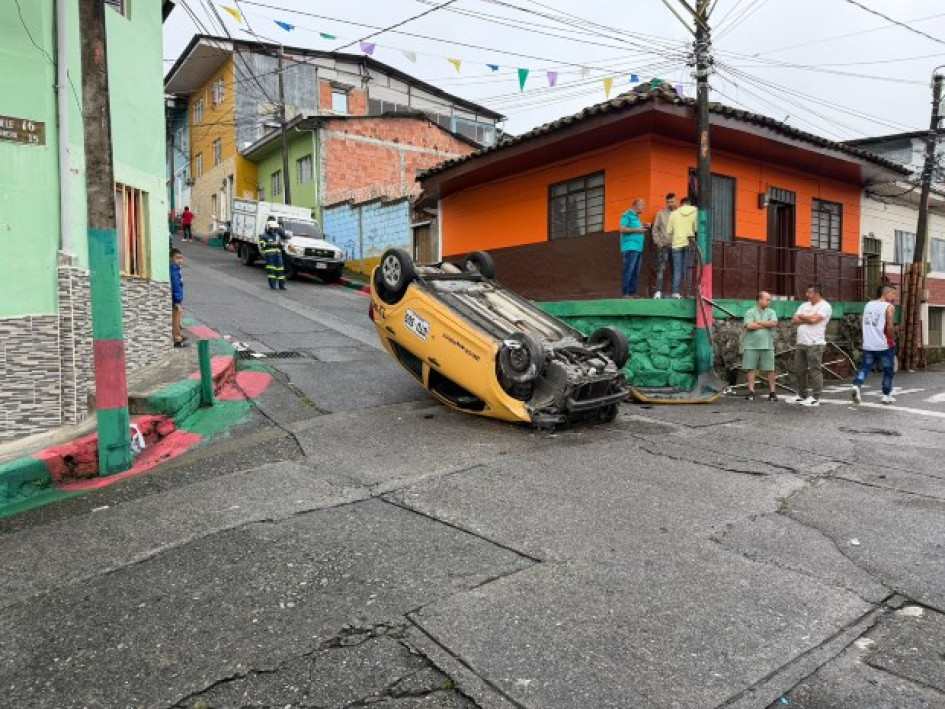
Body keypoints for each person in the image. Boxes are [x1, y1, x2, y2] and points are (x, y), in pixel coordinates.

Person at [852, 283, 898, 405]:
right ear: (886, 293)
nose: (894, 297)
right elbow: (889, 326)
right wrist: (892, 338)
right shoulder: (889, 307)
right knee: (888, 370)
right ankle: (886, 395)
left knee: (865, 368)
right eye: (893, 294)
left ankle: (857, 385)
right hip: (884, 344)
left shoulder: (868, 304)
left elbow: (863, 322)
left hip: (868, 343)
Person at [790, 284, 832, 407]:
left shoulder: (825, 306)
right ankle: (801, 395)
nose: (807, 295)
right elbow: (793, 320)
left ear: (817, 294)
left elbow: (814, 320)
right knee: (799, 370)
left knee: (815, 370)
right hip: (801, 342)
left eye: (809, 293)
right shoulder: (804, 305)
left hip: (815, 343)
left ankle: (815, 397)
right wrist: (808, 318)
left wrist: (802, 317)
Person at [742, 291, 779, 401]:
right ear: (760, 299)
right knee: (750, 368)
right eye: (767, 299)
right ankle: (751, 391)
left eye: (769, 299)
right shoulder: (750, 311)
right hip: (751, 345)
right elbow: (749, 326)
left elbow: (773, 323)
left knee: (770, 369)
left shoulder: (771, 311)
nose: (769, 301)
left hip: (767, 345)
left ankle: (772, 392)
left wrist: (759, 322)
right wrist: (765, 324)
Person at [666, 196, 698, 298]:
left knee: (677, 269)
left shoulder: (674, 213)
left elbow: (669, 231)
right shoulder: (695, 211)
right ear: (690, 203)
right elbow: (696, 228)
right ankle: (687, 293)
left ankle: (675, 292)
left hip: (676, 244)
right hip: (689, 243)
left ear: (681, 204)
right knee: (688, 269)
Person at [618, 198, 649, 298]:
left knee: (635, 272)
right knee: (628, 270)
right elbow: (622, 229)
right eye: (642, 205)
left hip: (638, 248)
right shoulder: (627, 214)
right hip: (630, 247)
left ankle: (632, 293)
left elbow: (635, 228)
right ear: (636, 205)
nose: (644, 207)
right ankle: (625, 293)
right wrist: (638, 230)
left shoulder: (637, 217)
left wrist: (644, 226)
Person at [650, 193, 677, 298]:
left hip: (676, 247)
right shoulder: (660, 213)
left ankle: (675, 292)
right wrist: (658, 243)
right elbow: (655, 229)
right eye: (668, 202)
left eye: (672, 201)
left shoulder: (679, 213)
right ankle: (658, 292)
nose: (670, 204)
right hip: (664, 246)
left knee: (676, 270)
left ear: (676, 201)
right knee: (661, 268)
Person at [260, 218, 287, 291]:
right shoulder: (264, 235)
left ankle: (282, 286)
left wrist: (281, 244)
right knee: (271, 271)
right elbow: (262, 245)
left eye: (274, 228)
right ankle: (273, 285)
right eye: (272, 228)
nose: (273, 230)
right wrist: (272, 244)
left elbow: (281, 243)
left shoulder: (277, 235)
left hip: (278, 255)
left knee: (280, 271)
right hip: (270, 256)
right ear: (268, 227)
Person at [170, 248, 188, 348]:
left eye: (181, 258)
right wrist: (177, 301)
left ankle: (179, 335)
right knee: (176, 319)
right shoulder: (173, 270)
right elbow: (175, 285)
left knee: (179, 317)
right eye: (177, 258)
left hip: (178, 298)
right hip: (176, 300)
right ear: (171, 258)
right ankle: (177, 340)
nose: (179, 260)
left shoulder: (176, 268)